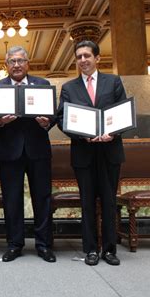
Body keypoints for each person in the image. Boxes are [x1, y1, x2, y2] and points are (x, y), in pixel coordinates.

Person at [0, 46, 56, 263]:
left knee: (42, 198)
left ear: (28, 63)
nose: (17, 65)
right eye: (12, 61)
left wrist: (48, 122)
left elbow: (53, 114)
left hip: (38, 150)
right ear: (6, 65)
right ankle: (15, 244)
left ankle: (44, 245)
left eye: (20, 61)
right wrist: (0, 121)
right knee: (12, 200)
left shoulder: (42, 85)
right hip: (9, 152)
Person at [57, 40, 126, 266]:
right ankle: (90, 250)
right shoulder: (69, 88)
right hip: (83, 152)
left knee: (108, 201)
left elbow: (122, 113)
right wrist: (82, 135)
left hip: (109, 151)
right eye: (79, 57)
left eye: (87, 55)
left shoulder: (113, 82)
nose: (83, 60)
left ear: (97, 58)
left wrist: (113, 133)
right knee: (87, 203)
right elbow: (62, 120)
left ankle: (109, 249)